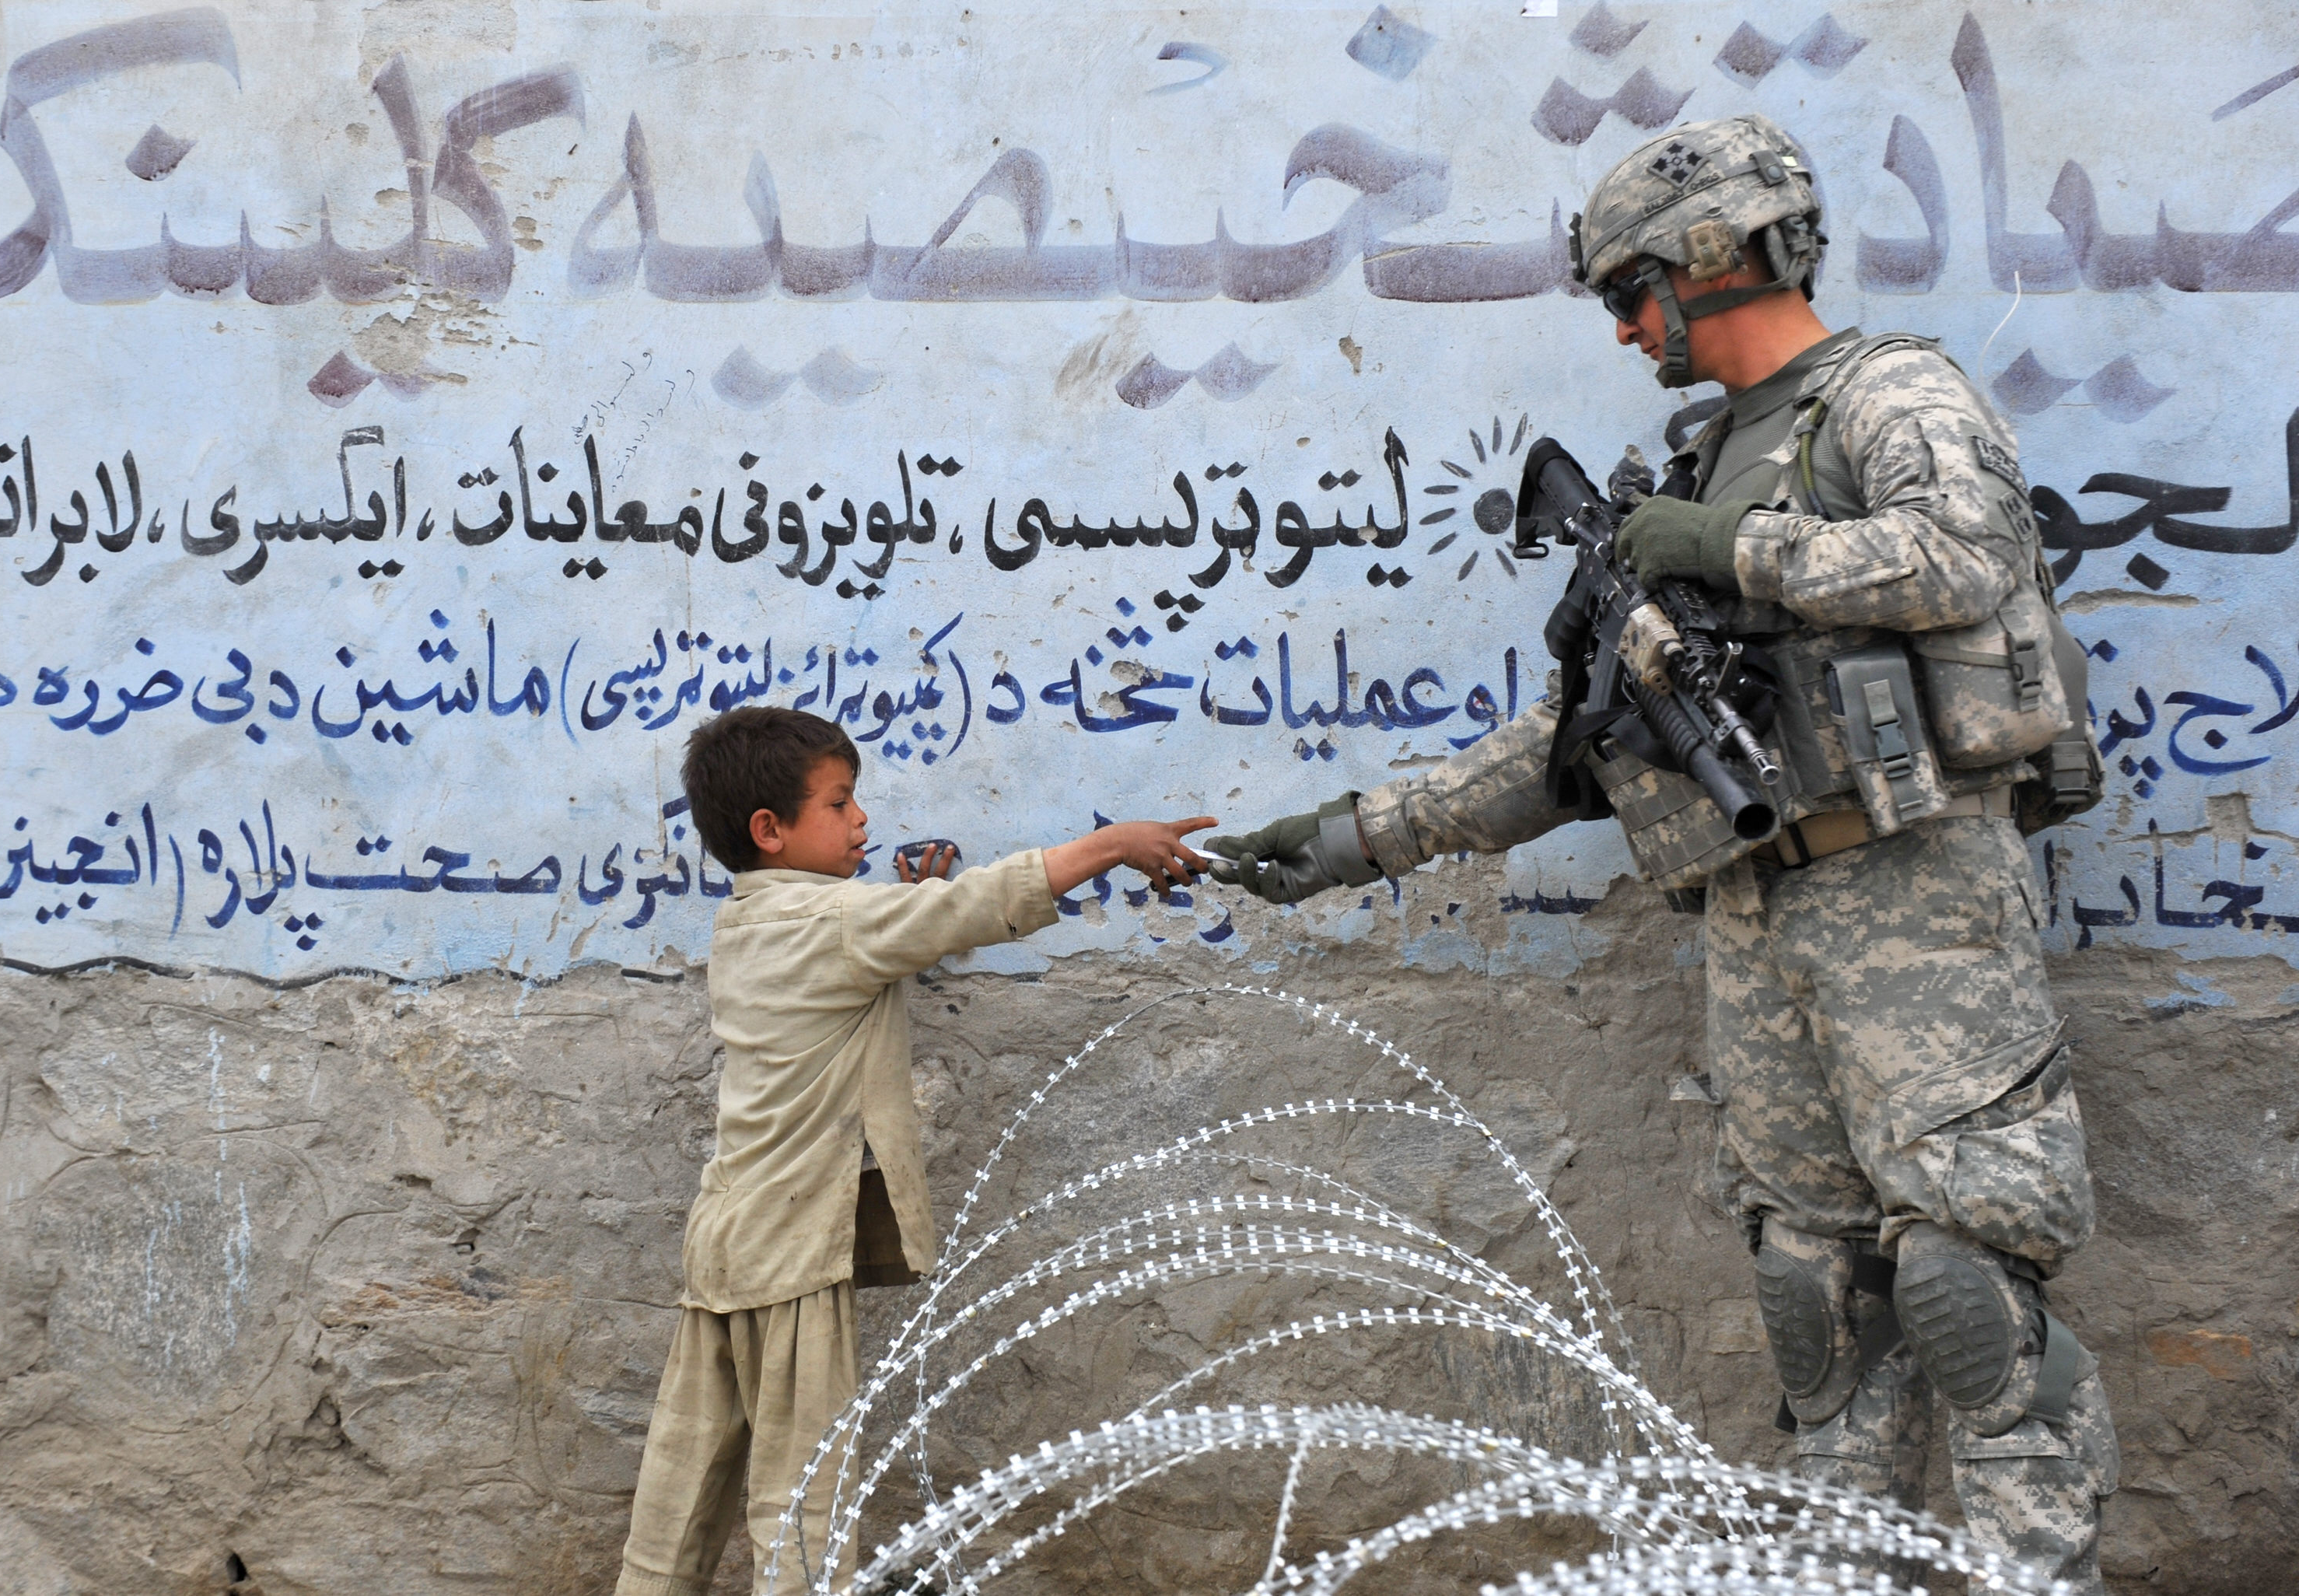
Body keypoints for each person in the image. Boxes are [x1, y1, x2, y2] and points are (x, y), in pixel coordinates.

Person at [1204, 114, 2117, 1591]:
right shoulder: (1703, 458)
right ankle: (1846, 1571)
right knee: (1817, 1296)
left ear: (1718, 256)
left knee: (1964, 1280)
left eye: (1635, 292)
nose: (1629, 328)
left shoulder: (1893, 394)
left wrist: (1732, 549)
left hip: (1917, 892)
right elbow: (1571, 747)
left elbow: (1969, 558)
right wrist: (1352, 837)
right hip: (1762, 914)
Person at [613, 705, 1211, 1596]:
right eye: (841, 803)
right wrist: (1114, 844)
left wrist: (899, 899)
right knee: (803, 1503)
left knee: (681, 1492)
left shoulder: (748, 923)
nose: (861, 820)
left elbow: (875, 935)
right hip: (790, 1254)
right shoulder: (839, 925)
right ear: (770, 831)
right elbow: (971, 908)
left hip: (726, 1238)